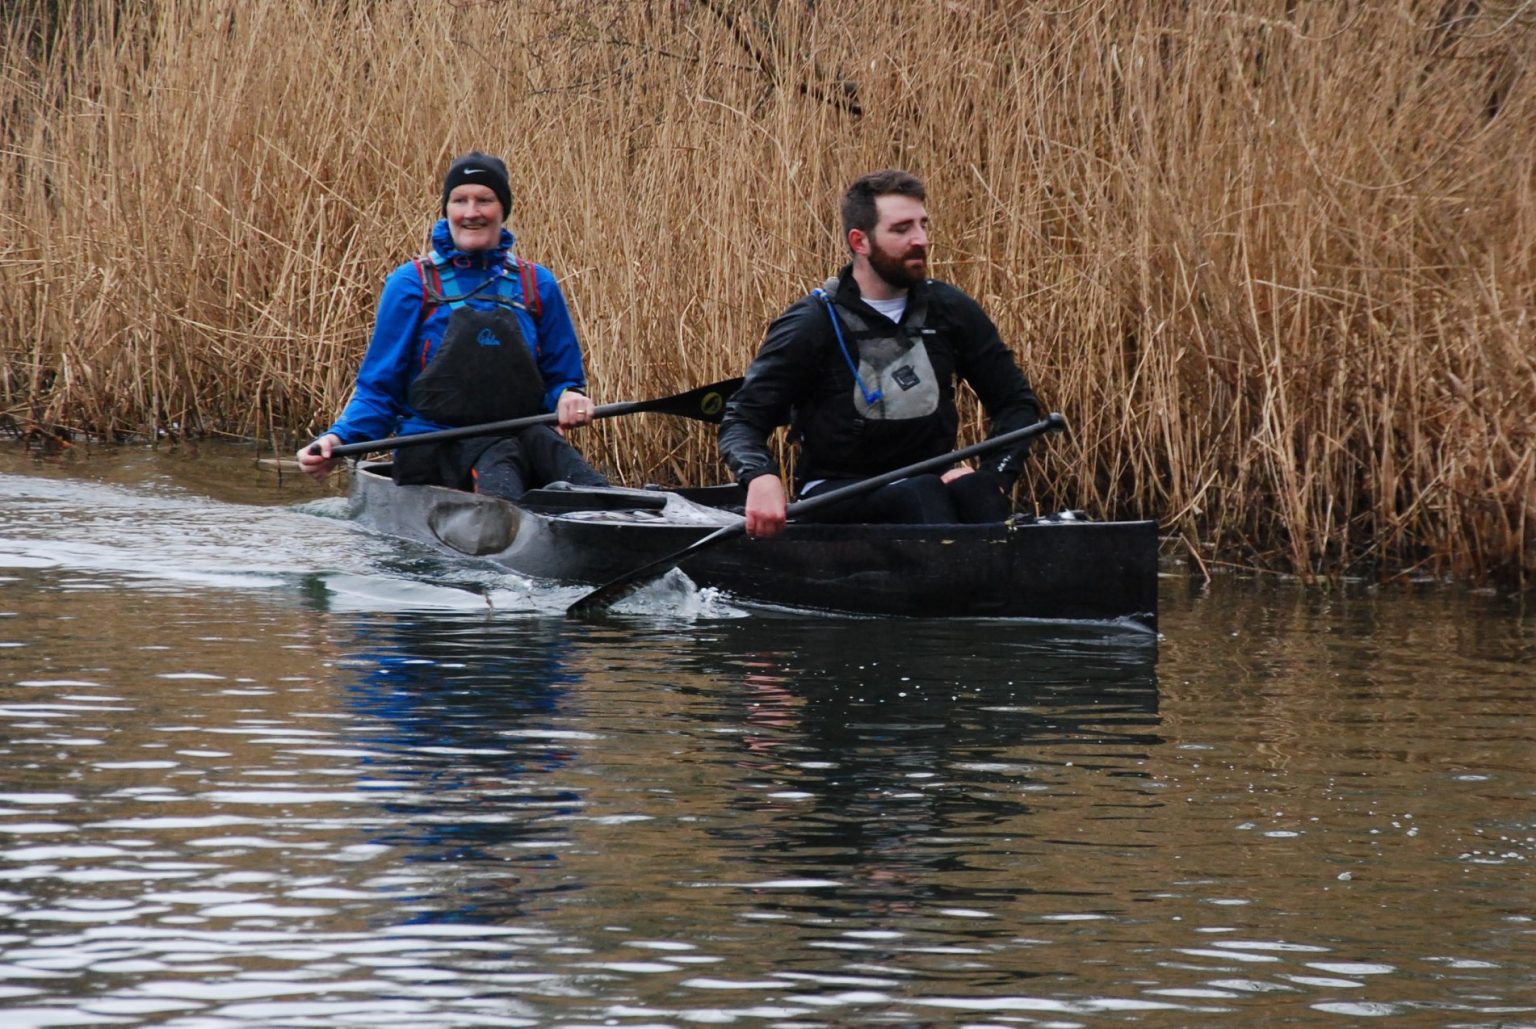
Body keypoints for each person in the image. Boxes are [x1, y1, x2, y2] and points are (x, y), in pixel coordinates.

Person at [718, 169, 1042, 538]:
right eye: (902, 229)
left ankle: (997, 583)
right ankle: (962, 585)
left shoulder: (950, 311)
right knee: (921, 493)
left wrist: (996, 475)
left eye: (923, 225)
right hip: (836, 492)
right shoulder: (812, 323)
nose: (921, 239)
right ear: (860, 241)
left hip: (932, 483)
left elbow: (1016, 403)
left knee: (974, 489)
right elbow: (742, 420)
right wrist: (761, 477)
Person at [299, 151, 607, 500]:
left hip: (522, 439)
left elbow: (564, 380)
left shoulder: (538, 284)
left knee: (554, 453)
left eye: (484, 200)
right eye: (460, 200)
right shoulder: (410, 284)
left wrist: (570, 396)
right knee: (499, 456)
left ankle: (612, 514)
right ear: (447, 210)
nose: (472, 212)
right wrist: (337, 439)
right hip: (433, 447)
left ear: (503, 210)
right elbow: (379, 391)